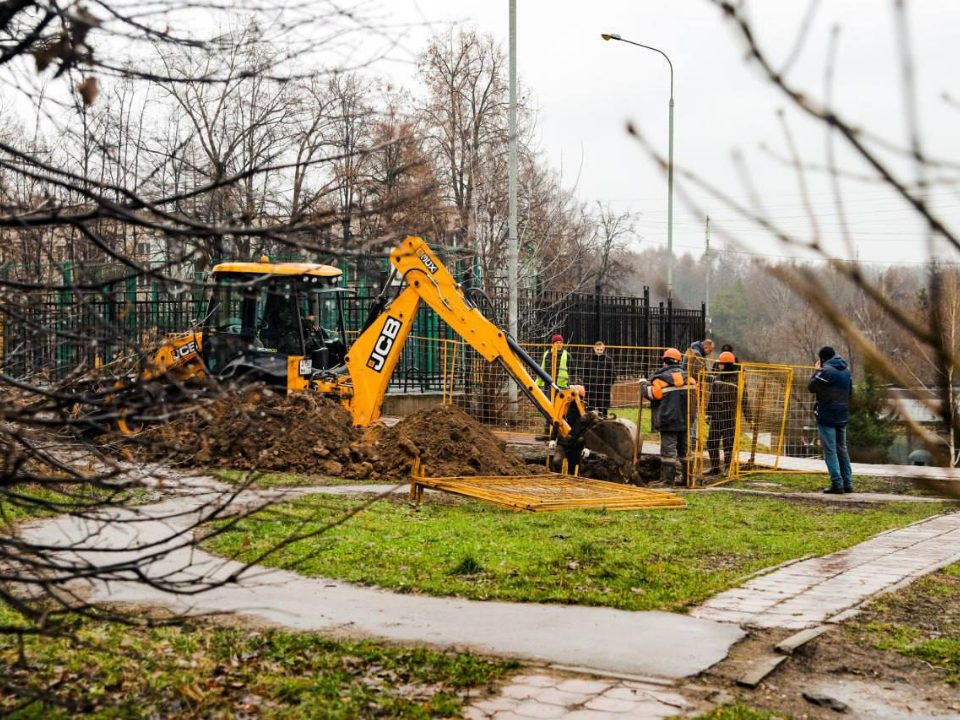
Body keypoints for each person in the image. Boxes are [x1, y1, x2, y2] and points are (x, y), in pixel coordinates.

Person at [640, 348, 698, 486]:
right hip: (686, 420)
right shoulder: (689, 379)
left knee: (668, 453)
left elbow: (651, 394)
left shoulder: (660, 380)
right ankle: (688, 479)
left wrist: (643, 383)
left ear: (665, 361)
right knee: (685, 452)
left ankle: (667, 481)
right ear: (679, 361)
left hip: (669, 421)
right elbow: (696, 397)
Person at [808, 346, 853, 494]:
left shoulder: (826, 371)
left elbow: (812, 387)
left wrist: (816, 371)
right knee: (842, 450)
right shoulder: (846, 370)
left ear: (822, 359)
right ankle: (848, 483)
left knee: (830, 451)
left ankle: (837, 483)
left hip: (827, 414)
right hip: (842, 414)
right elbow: (850, 392)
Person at [705, 351, 743, 476]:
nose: (719, 366)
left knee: (728, 443)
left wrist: (749, 418)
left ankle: (728, 467)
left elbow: (745, 399)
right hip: (716, 416)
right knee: (711, 442)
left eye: (721, 364)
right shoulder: (718, 378)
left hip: (730, 417)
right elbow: (712, 396)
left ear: (727, 364)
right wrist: (708, 413)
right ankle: (715, 467)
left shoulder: (738, 379)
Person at [537, 334, 571, 436]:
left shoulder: (566, 355)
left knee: (561, 409)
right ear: (552, 344)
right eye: (557, 343)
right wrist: (539, 383)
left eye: (560, 342)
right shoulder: (547, 354)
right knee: (549, 408)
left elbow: (572, 370)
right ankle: (548, 431)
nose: (559, 344)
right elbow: (541, 368)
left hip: (562, 386)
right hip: (549, 386)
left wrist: (571, 384)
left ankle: (562, 432)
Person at [583, 341, 615, 416]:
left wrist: (608, 384)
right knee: (590, 409)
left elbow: (612, 374)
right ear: (594, 349)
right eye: (598, 349)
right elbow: (584, 373)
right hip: (591, 388)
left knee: (603, 410)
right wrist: (587, 384)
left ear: (604, 349)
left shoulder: (608, 360)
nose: (599, 351)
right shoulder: (588, 359)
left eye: (601, 349)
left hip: (603, 388)